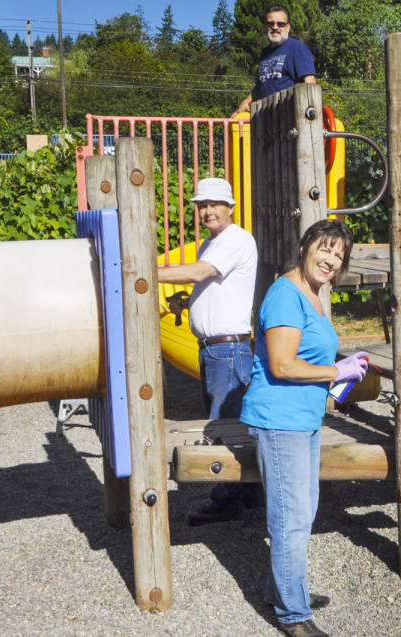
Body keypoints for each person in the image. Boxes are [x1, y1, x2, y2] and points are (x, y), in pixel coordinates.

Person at [240, 218, 368, 637]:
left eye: (339, 255)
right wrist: (335, 370)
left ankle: (280, 591)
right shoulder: (285, 294)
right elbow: (281, 364)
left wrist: (341, 375)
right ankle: (293, 616)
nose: (330, 259)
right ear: (304, 246)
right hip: (280, 421)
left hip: (303, 419)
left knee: (302, 511)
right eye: (325, 248)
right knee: (291, 518)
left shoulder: (312, 295)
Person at [157, 178, 261, 525]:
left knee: (222, 428)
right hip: (219, 349)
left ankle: (226, 499)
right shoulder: (214, 242)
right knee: (234, 424)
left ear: (230, 207)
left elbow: (201, 272)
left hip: (225, 350)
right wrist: (190, 300)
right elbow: (215, 286)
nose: (207, 211)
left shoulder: (234, 239)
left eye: (214, 204)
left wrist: (147, 272)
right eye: (202, 205)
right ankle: (247, 493)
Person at [233, 4, 317, 116]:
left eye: (280, 24)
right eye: (270, 23)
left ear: (288, 27)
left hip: (292, 118)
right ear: (265, 26)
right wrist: (246, 101)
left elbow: (310, 83)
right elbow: (261, 86)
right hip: (269, 119)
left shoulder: (296, 47)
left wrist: (310, 114)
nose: (275, 27)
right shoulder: (265, 53)